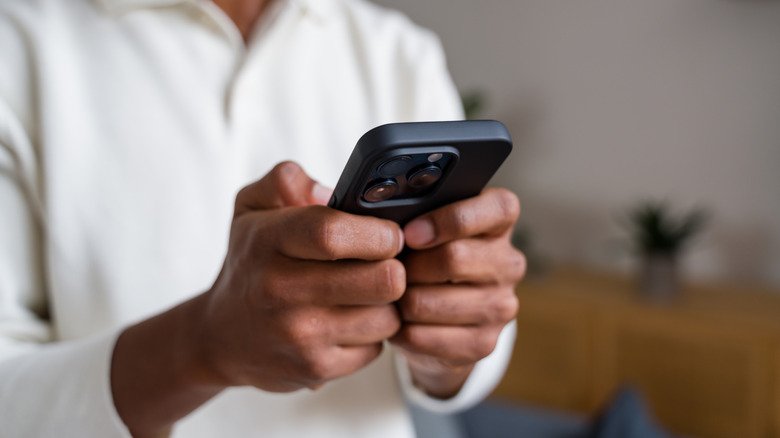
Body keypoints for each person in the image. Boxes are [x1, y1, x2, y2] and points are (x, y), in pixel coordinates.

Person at [0, 0, 525, 436]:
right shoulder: (18, 43)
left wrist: (450, 346)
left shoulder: (399, 51)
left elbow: (458, 375)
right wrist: (200, 346)